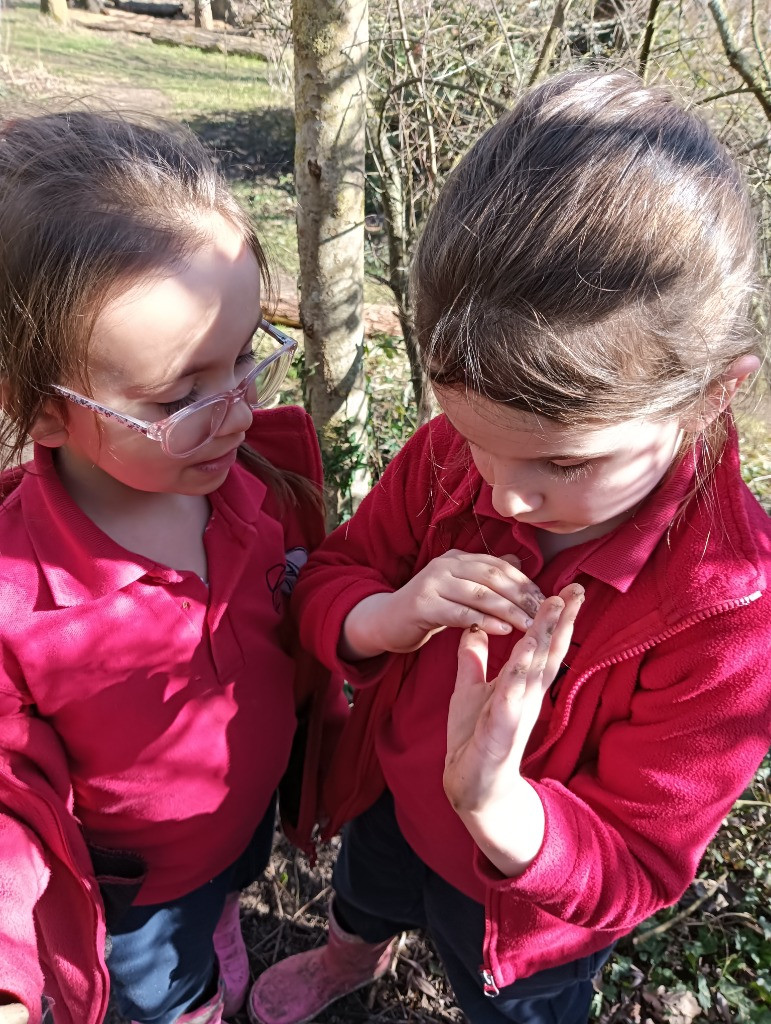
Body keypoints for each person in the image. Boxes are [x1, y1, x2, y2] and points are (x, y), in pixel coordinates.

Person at [247, 69, 771, 1024]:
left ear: (709, 397)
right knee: (368, 893)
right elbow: (333, 577)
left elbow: (636, 863)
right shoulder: (457, 454)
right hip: (391, 800)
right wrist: (389, 617)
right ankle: (348, 957)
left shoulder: (728, 611)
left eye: (562, 463)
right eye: (472, 441)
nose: (500, 493)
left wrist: (496, 806)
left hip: (522, 913)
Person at [0, 110, 344, 1024]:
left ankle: (225, 917)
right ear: (38, 410)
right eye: (177, 395)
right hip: (137, 892)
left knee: (230, 882)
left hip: (244, 814)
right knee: (164, 993)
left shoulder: (258, 482)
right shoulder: (18, 602)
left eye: (243, 358)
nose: (233, 409)